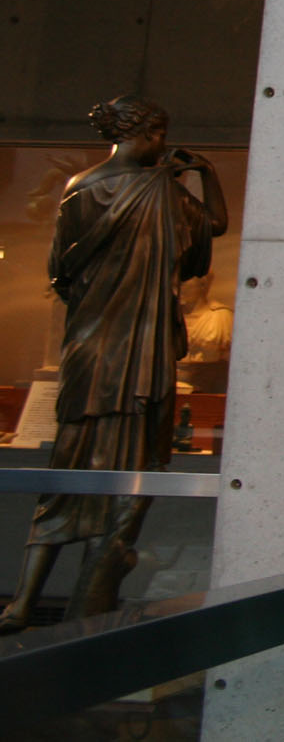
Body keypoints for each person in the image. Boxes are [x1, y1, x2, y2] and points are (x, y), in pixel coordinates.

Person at [0, 96, 228, 633]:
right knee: (115, 476)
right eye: (159, 133)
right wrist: (205, 173)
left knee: (72, 472)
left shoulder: (79, 189)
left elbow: (60, 271)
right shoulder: (161, 191)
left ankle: (31, 602)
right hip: (137, 353)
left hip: (92, 348)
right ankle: (64, 603)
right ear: (144, 134)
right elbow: (213, 224)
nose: (162, 143)